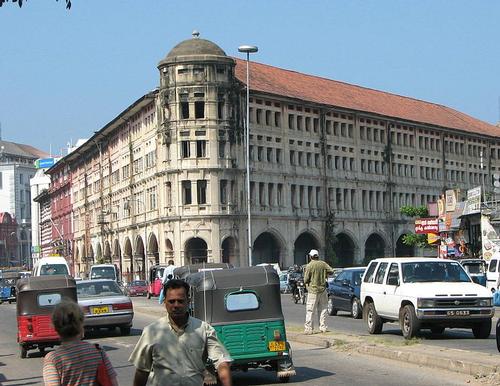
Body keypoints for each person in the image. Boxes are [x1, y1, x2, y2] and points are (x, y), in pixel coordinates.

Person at [129, 279, 232, 386]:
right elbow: (142, 371)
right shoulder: (151, 332)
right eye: (171, 301)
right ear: (165, 302)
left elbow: (222, 363)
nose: (176, 305)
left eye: (180, 301)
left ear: (188, 301)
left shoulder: (204, 329)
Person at [43, 300, 118, 386]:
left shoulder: (53, 359)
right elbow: (113, 383)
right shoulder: (98, 351)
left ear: (55, 327)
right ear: (81, 324)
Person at [303, 249, 335, 334]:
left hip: (313, 291)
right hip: (323, 290)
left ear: (311, 257)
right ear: (317, 256)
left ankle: (309, 328)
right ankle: (323, 327)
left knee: (310, 310)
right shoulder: (323, 264)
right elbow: (331, 271)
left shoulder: (309, 265)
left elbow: (305, 279)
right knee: (323, 309)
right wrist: (325, 274)